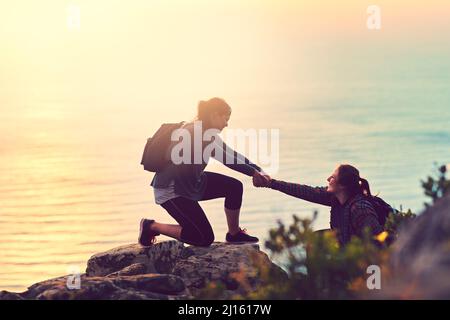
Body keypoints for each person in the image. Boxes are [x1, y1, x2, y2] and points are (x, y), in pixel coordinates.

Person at [139, 97, 269, 246]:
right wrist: (253, 173)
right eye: (225, 119)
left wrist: (259, 170)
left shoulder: (206, 133)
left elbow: (232, 154)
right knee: (203, 238)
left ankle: (234, 234)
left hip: (193, 183)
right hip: (171, 190)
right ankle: (151, 226)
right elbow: (227, 159)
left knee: (234, 187)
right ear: (214, 115)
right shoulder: (196, 134)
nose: (227, 124)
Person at [253, 164, 384, 245]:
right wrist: (271, 183)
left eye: (332, 177)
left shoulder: (360, 209)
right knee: (315, 239)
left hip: (364, 260)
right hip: (348, 245)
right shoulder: (335, 198)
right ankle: (316, 281)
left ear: (342, 186)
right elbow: (305, 191)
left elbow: (378, 242)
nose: (328, 179)